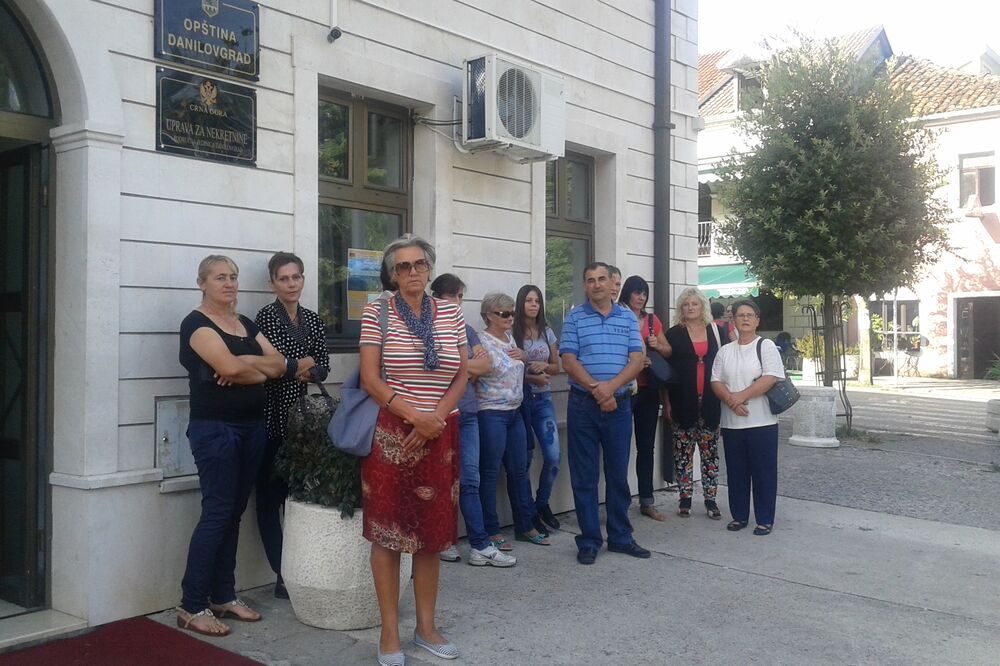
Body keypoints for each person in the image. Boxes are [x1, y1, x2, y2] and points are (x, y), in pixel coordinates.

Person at [358, 235, 467, 664]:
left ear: (429, 267)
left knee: (431, 536)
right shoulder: (377, 311)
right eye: (402, 267)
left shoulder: (451, 312)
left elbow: (462, 373)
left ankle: (425, 627)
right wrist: (414, 417)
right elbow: (370, 378)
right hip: (393, 436)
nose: (412, 272)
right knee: (387, 533)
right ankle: (389, 631)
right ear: (392, 274)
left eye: (419, 264)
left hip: (440, 434)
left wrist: (433, 418)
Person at [176, 255, 287, 637]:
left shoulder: (245, 324)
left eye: (233, 277)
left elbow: (279, 364)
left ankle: (223, 594)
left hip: (252, 427)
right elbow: (234, 369)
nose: (229, 283)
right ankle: (191, 604)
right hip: (215, 430)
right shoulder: (196, 324)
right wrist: (249, 369)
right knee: (218, 511)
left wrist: (243, 365)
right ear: (202, 283)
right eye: (220, 277)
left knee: (234, 512)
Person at [559, 262, 648, 565]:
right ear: (584, 286)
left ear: (612, 283)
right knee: (584, 477)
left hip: (619, 405)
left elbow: (637, 360)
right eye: (590, 280)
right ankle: (589, 540)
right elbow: (568, 360)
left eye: (601, 279)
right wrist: (598, 390)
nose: (596, 285)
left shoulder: (627, 317)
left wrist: (610, 388)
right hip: (583, 406)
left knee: (618, 475)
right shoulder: (574, 318)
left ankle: (621, 537)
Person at [254, 252, 331, 599]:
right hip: (271, 418)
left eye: (296, 277)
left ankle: (301, 567)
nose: (291, 284)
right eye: (284, 279)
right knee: (269, 499)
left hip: (302, 423)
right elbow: (276, 364)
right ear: (272, 283)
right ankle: (281, 573)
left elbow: (322, 363)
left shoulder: (312, 319)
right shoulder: (265, 317)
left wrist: (300, 366)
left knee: (298, 498)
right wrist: (300, 363)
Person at [430, 275, 515, 568]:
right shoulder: (427, 329)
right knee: (440, 482)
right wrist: (466, 367)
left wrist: (454, 366)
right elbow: (433, 369)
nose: (456, 302)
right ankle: (443, 541)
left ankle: (479, 545)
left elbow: (486, 365)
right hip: (438, 415)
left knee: (470, 479)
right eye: (451, 296)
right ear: (436, 298)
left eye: (460, 297)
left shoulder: (466, 330)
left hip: (468, 413)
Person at [476, 292, 550, 549]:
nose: (510, 317)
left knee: (519, 471)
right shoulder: (481, 342)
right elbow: (476, 373)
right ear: (488, 316)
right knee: (490, 472)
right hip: (491, 412)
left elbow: (519, 370)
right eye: (504, 313)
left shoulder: (510, 339)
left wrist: (526, 358)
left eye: (511, 313)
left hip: (515, 411)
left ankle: (525, 526)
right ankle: (491, 530)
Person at [711, 299, 785, 536]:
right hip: (732, 423)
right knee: (736, 472)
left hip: (762, 422)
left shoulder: (766, 346)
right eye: (740, 315)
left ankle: (764, 519)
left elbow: (771, 377)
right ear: (733, 320)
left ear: (757, 320)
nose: (745, 319)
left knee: (763, 473)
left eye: (749, 315)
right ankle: (739, 516)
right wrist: (731, 401)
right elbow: (715, 381)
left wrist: (739, 397)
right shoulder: (725, 351)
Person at [663, 287, 724, 520]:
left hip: (710, 401)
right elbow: (666, 373)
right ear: (681, 308)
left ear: (702, 307)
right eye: (686, 304)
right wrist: (666, 403)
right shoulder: (673, 334)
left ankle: (710, 499)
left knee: (710, 454)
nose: (690, 308)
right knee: (683, 454)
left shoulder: (715, 331)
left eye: (694, 304)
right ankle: (685, 498)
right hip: (682, 401)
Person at [618, 276, 672, 521]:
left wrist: (656, 345)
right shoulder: (617, 316)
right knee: (618, 447)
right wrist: (636, 360)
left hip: (648, 388)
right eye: (636, 292)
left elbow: (668, 350)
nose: (640, 298)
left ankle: (647, 501)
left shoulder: (652, 321)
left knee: (646, 446)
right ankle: (618, 503)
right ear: (627, 293)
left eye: (644, 294)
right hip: (623, 388)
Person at [512, 285, 562, 533]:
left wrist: (544, 366)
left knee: (553, 456)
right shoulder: (512, 332)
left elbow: (556, 367)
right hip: (520, 401)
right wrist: (532, 377)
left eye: (537, 301)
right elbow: (506, 368)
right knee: (525, 459)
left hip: (543, 400)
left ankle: (542, 503)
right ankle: (528, 512)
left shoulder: (547, 331)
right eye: (529, 300)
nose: (533, 305)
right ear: (521, 303)